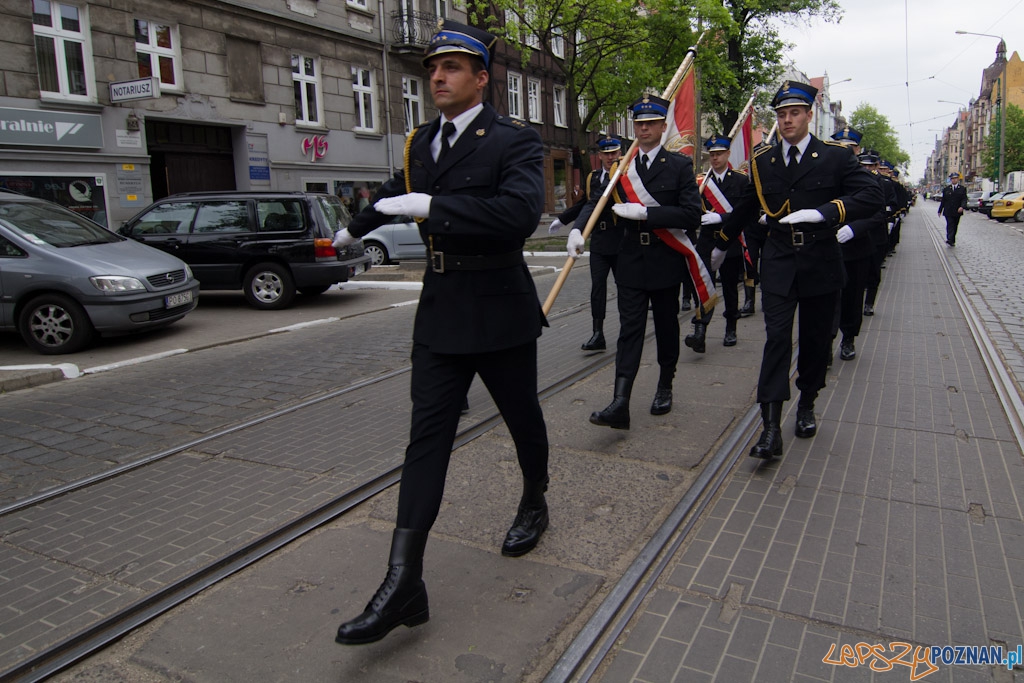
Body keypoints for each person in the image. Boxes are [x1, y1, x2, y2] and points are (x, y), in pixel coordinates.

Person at [330, 20, 550, 645]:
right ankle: (404, 582)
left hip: (500, 306)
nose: (438, 77)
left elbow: (520, 214)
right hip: (442, 309)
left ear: (482, 79)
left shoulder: (514, 139)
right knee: (424, 441)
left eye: (452, 67)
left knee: (522, 419)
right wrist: (354, 226)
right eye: (433, 68)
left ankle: (535, 498)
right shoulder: (421, 142)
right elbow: (398, 192)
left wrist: (435, 208)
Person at [710, 80, 882, 459]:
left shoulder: (835, 157)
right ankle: (770, 427)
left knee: (817, 341)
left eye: (794, 113)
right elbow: (744, 207)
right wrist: (722, 241)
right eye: (782, 114)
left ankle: (806, 400)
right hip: (780, 260)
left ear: (808, 116)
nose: (787, 120)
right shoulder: (763, 161)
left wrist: (826, 212)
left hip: (821, 259)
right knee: (775, 340)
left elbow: (872, 195)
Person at [570, 94, 702, 428]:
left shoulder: (678, 166)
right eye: (639, 123)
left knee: (666, 326)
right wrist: (577, 229)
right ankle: (621, 400)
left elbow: (691, 215)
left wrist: (647, 213)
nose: (643, 129)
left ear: (662, 125)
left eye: (650, 123)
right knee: (629, 330)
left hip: (664, 259)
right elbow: (596, 202)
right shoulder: (621, 168)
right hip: (629, 259)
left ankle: (665, 384)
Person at [552, 136, 624, 351]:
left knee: (626, 288)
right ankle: (598, 333)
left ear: (620, 153)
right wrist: (563, 219)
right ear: (599, 155)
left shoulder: (624, 175)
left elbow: (602, 200)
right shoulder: (593, 177)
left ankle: (627, 330)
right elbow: (587, 203)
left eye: (614, 153)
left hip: (621, 240)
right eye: (606, 154)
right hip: (600, 243)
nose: (611, 157)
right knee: (597, 288)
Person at [828, 130, 885, 363]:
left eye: (848, 147)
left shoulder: (867, 178)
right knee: (829, 298)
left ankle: (848, 338)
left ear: (857, 150)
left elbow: (879, 211)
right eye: (839, 145)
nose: (844, 150)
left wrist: (855, 228)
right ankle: (826, 342)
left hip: (857, 247)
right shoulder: (825, 175)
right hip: (829, 247)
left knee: (852, 297)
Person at [695, 134, 749, 348]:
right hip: (707, 242)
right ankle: (701, 330)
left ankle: (731, 328)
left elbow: (744, 212)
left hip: (730, 242)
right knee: (705, 287)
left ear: (728, 154)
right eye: (712, 154)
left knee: (729, 287)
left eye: (719, 154)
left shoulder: (740, 180)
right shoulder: (701, 181)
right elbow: (693, 208)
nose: (715, 158)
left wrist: (722, 217)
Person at [938, 171, 968, 246]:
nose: (954, 180)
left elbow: (964, 199)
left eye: (955, 178)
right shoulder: (947, 189)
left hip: (957, 211)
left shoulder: (962, 189)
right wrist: (940, 210)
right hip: (948, 211)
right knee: (950, 224)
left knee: (955, 225)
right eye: (952, 179)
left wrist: (962, 206)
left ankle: (952, 239)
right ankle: (950, 239)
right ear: (951, 180)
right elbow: (943, 200)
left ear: (958, 179)